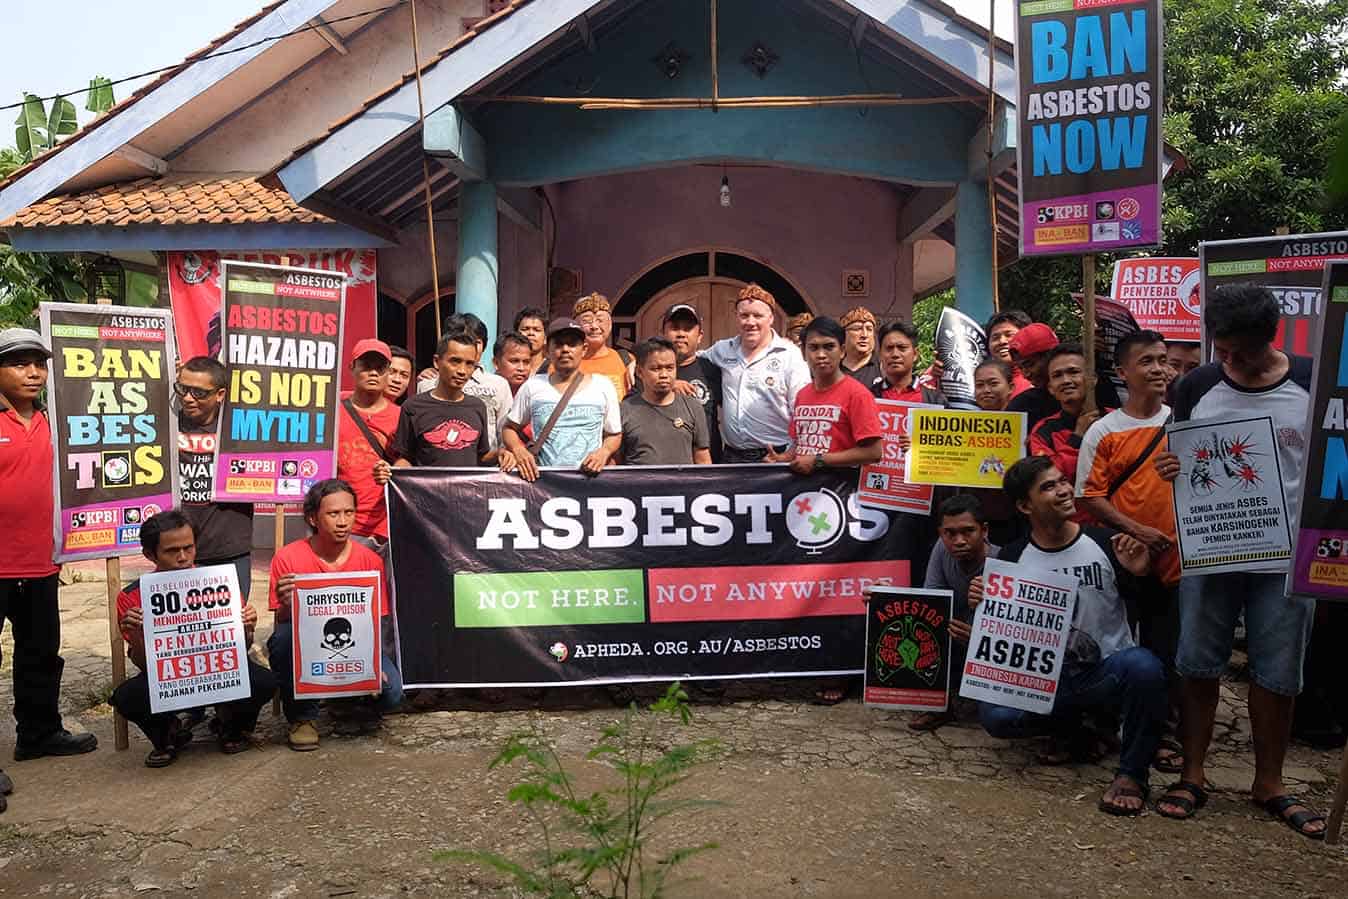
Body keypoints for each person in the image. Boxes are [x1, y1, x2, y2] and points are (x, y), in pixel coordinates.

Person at [1154, 284, 1324, 838]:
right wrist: (1169, 467)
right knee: (1197, 662)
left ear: (1269, 338)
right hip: (1211, 550)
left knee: (1278, 671)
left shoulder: (1313, 383)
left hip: (1286, 557)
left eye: (1241, 352)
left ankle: (1269, 783)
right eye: (1221, 350)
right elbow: (1175, 451)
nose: (1229, 361)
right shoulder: (1197, 385)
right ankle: (1193, 773)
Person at [973, 455, 1165, 816]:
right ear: (1025, 506)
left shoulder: (1107, 543)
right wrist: (981, 601)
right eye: (1049, 486)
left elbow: (1153, 610)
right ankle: (1077, 730)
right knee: (995, 714)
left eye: (1063, 481)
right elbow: (1001, 634)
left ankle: (1132, 774)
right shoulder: (1012, 557)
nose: (1063, 490)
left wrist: (1139, 575)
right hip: (1047, 682)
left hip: (1104, 675)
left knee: (1144, 666)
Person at [0, 328, 98, 800]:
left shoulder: (55, 419)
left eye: (39, 363)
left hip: (42, 563)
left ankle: (38, 734)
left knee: (40, 656)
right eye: (20, 363)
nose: (33, 372)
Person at [111, 511, 275, 766]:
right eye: (172, 551)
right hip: (169, 679)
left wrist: (247, 627)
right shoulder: (132, 597)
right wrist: (136, 634)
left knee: (264, 682)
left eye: (189, 547)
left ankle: (230, 725)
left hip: (220, 671)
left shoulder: (220, 582)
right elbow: (144, 666)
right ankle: (169, 733)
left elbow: (240, 649)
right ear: (150, 555)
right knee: (127, 697)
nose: (183, 557)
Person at [267, 480, 403, 751]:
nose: (343, 522)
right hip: (307, 646)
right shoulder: (287, 558)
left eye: (349, 512)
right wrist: (286, 603)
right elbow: (282, 623)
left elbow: (375, 622)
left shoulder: (370, 561)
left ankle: (348, 702)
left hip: (356, 644)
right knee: (282, 640)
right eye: (333, 514)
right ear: (312, 518)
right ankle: (302, 718)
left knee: (392, 693)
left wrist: (372, 665)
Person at [1076, 329, 1180, 646]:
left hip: (1180, 562)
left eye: (1163, 360)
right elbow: (1089, 496)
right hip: (1126, 559)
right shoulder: (1103, 431)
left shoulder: (1185, 422)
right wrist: (1138, 531)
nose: (1158, 369)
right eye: (1146, 361)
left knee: (1172, 649)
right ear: (1122, 373)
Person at [909, 494, 999, 731]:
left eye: (968, 531)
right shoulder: (941, 549)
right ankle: (938, 705)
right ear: (940, 533)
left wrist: (978, 637)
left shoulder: (1002, 560)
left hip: (987, 646)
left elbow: (1009, 629)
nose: (959, 541)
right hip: (954, 631)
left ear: (984, 530)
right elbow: (932, 599)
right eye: (950, 533)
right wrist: (884, 597)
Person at [502, 318, 622, 481]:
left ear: (584, 349)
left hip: (590, 483)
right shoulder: (532, 386)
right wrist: (518, 450)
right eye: (558, 344)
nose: (565, 349)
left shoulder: (603, 386)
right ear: (547, 351)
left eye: (572, 344)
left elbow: (614, 434)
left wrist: (604, 452)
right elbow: (509, 428)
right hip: (544, 484)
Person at [703, 283, 811, 463]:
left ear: (771, 318)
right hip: (731, 457)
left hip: (774, 456)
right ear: (736, 317)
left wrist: (790, 454)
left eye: (758, 316)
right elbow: (690, 360)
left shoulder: (789, 355)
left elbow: (803, 410)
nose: (750, 322)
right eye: (744, 315)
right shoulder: (722, 350)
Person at [175, 356, 255, 598]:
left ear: (220, 394)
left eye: (199, 393)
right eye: (182, 389)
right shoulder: (165, 422)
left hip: (230, 552)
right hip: (176, 552)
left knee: (237, 622)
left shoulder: (243, 427)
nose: (188, 398)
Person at [770, 316, 882, 475]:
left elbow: (874, 452)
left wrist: (819, 460)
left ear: (842, 351)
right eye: (814, 348)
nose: (821, 354)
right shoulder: (802, 394)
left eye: (829, 347)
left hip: (839, 487)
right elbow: (801, 444)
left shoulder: (858, 394)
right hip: (802, 487)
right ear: (803, 353)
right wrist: (782, 458)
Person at [381, 329, 503, 472]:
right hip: (427, 487)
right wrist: (393, 472)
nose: (462, 371)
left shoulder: (478, 406)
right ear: (437, 362)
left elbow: (480, 456)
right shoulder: (413, 407)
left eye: (469, 364)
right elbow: (405, 457)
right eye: (455, 361)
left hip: (468, 487)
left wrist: (501, 454)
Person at [335, 339, 401, 553]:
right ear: (351, 368)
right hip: (341, 523)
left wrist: (394, 469)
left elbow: (410, 460)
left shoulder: (402, 417)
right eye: (366, 366)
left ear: (388, 372)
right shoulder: (331, 407)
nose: (373, 373)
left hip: (387, 526)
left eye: (380, 368)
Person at [621, 337, 712, 465]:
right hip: (637, 478)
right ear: (640, 372)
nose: (664, 375)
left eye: (670, 368)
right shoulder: (625, 409)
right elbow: (615, 459)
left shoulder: (693, 407)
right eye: (656, 369)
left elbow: (702, 459)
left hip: (682, 478)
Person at [1028, 344, 1102, 492]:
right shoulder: (1043, 432)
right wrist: (1077, 438)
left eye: (1073, 372)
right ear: (1050, 388)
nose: (1066, 380)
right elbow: (1052, 480)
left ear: (1092, 379)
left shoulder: (1116, 420)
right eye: (1057, 376)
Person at [663, 303, 723, 462]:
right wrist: (667, 386)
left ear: (700, 336)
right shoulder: (648, 371)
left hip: (707, 463)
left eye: (688, 329)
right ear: (663, 333)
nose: (681, 334)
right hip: (663, 464)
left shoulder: (712, 370)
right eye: (675, 328)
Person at [573, 293, 633, 399]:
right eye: (587, 321)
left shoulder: (627, 360)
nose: (594, 326)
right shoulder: (566, 361)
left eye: (600, 320)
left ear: (610, 325)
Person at [871, 321, 945, 404]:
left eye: (902, 348)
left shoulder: (935, 400)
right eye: (889, 348)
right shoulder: (868, 396)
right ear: (880, 355)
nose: (895, 354)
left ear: (915, 354)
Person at [1004, 323, 1061, 429]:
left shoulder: (1087, 393)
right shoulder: (1023, 406)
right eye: (1020, 368)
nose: (1026, 374)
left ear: (1051, 356)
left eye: (1030, 364)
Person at [985, 309, 1034, 396]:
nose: (1002, 341)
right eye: (995, 338)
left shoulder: (1040, 379)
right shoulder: (984, 388)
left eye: (1009, 335)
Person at [840, 306, 879, 385]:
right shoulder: (832, 369)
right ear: (844, 334)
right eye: (857, 329)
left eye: (869, 329)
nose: (864, 335)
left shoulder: (883, 368)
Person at [493, 331, 535, 396]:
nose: (521, 368)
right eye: (514, 361)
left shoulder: (537, 393)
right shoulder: (485, 393)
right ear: (496, 363)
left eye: (526, 362)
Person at [513, 306, 548, 373]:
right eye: (525, 329)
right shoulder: (508, 371)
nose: (531, 333)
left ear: (545, 338)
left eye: (537, 330)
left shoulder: (553, 370)